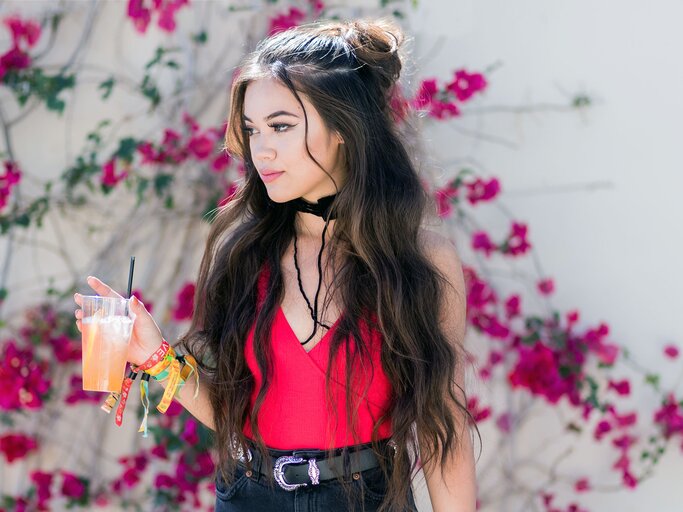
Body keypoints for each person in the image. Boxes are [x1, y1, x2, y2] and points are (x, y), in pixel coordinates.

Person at [74, 17, 478, 512]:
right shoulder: (243, 252)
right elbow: (233, 412)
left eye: (281, 126)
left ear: (343, 128)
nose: (261, 150)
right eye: (252, 129)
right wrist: (155, 355)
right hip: (249, 496)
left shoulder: (419, 260)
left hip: (366, 500)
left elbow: (445, 426)